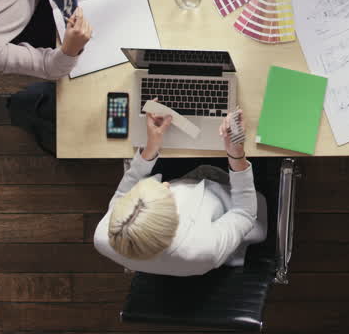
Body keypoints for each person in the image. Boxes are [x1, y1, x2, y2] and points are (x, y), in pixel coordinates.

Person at [94, 110, 267, 276]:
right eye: (168, 196)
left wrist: (151, 147)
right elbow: (244, 213)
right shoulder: (203, 249)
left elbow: (122, 193)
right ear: (174, 222)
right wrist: (236, 154)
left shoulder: (104, 235)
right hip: (229, 204)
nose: (167, 184)